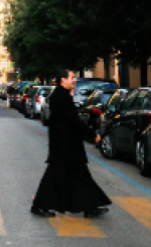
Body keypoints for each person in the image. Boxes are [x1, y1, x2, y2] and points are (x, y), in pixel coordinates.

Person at [31, 69, 112, 219]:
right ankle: (40, 205)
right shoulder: (61, 97)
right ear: (63, 80)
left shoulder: (60, 95)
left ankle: (90, 206)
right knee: (56, 176)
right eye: (72, 77)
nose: (74, 80)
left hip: (66, 145)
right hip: (65, 146)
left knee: (79, 175)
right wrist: (92, 134)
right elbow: (73, 120)